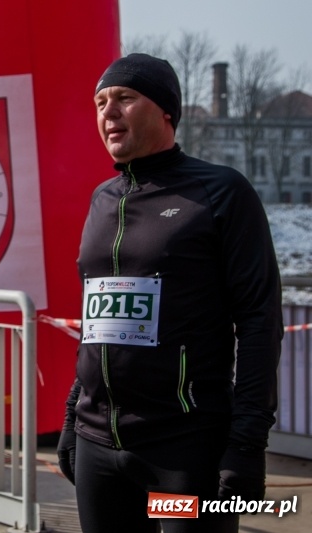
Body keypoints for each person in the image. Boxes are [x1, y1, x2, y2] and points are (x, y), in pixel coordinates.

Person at [56, 53, 283, 532]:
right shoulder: (103, 200)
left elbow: (260, 322)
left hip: (183, 456)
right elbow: (99, 322)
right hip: (99, 449)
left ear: (165, 111)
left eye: (124, 98)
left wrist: (246, 445)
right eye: (100, 102)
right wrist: (74, 413)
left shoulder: (221, 192)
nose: (107, 113)